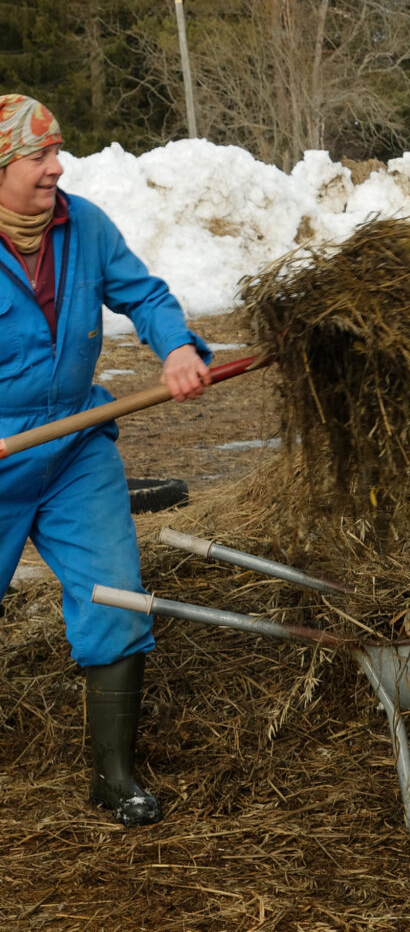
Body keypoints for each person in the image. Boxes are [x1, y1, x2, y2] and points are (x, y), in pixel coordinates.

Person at [0, 94, 210, 826]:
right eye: (38, 157)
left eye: (57, 153)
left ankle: (113, 776)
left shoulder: (81, 225)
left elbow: (142, 294)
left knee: (115, 596)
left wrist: (177, 346)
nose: (56, 167)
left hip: (75, 443)